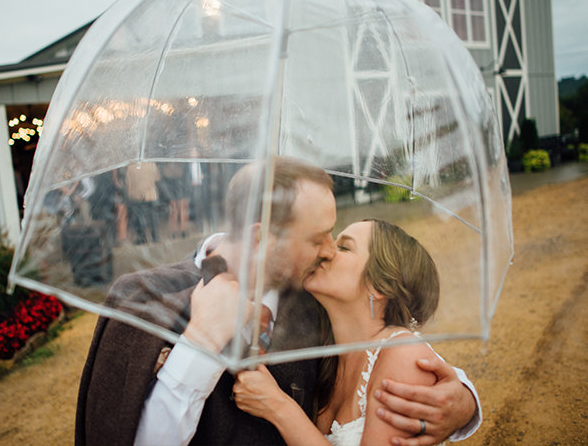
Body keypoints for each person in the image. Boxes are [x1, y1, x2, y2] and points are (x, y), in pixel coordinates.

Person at [75, 157, 479, 446]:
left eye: (335, 237)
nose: (327, 252)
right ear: (260, 237)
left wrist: (461, 402)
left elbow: (383, 346)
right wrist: (201, 340)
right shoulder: (143, 298)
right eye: (317, 238)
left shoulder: (310, 303)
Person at [233, 219, 459, 445]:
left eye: (344, 247)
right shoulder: (326, 357)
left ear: (378, 285)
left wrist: (278, 407)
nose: (327, 251)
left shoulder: (403, 354)